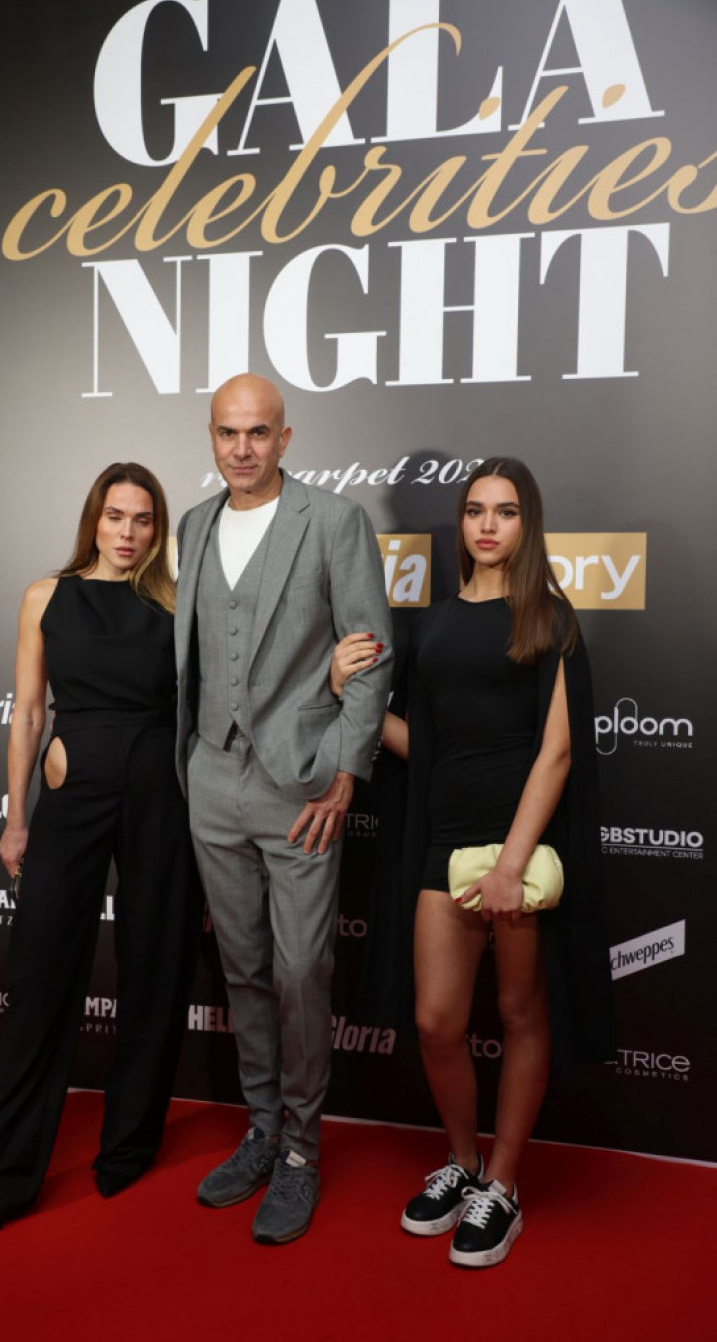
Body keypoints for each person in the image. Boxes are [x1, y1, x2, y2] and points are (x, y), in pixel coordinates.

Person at [333, 457, 612, 1268]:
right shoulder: (433, 624)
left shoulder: (551, 617)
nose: (489, 524)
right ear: (461, 522)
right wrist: (346, 692)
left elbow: (558, 753)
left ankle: (504, 1184)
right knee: (436, 1019)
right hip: (442, 841)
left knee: (522, 1013)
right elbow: (420, 745)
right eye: (476, 509)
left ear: (528, 524)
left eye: (507, 510)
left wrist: (511, 865)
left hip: (521, 848)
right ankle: (462, 1162)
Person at [174, 373, 392, 1244]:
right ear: (212, 436)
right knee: (243, 968)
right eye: (228, 432)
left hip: (301, 785)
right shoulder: (193, 525)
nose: (242, 447)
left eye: (259, 432)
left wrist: (345, 771)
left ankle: (302, 1150)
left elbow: (370, 654)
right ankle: (262, 1129)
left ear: (286, 437)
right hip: (211, 779)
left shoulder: (333, 521)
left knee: (302, 972)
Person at [0, 462, 201, 1242]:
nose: (127, 532)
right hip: (72, 798)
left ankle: (128, 1146)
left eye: (143, 519)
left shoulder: (177, 603)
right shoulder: (47, 595)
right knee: (39, 974)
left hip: (162, 799)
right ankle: (6, 1176)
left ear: (157, 528)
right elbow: (29, 712)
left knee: (155, 966)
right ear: (93, 519)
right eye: (115, 516)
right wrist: (15, 817)